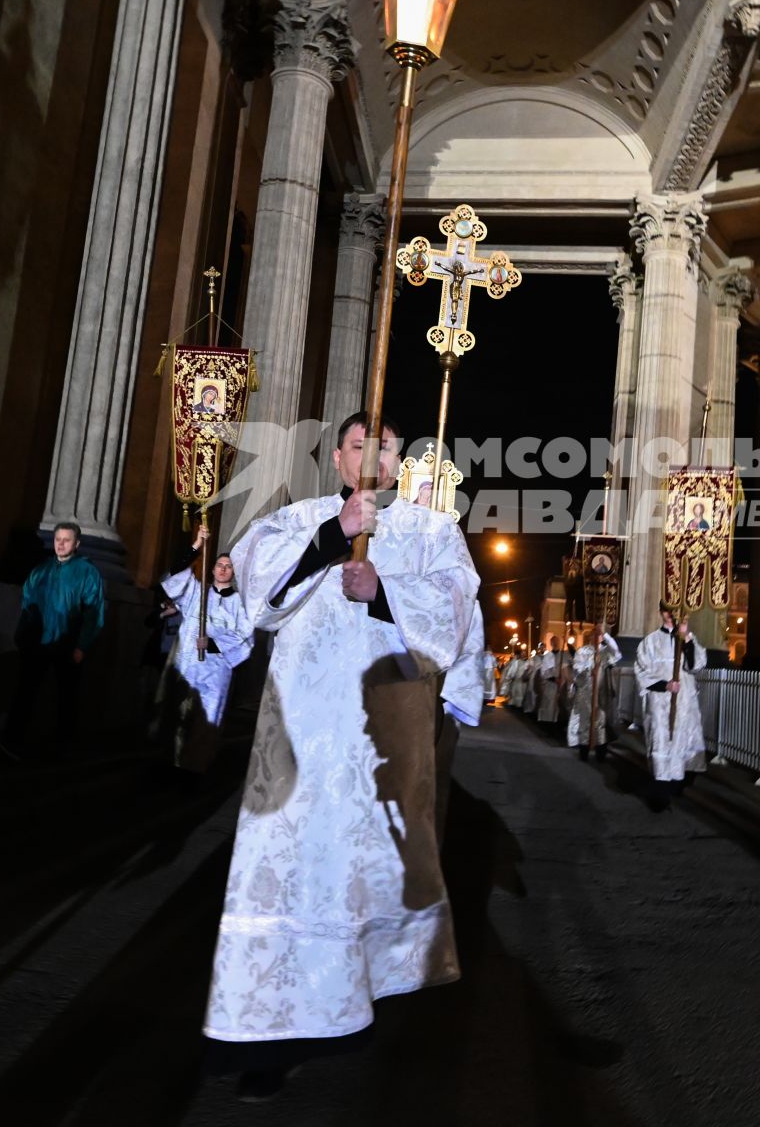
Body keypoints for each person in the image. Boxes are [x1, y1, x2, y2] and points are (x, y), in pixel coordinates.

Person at [205, 412, 478, 1098]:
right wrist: (334, 540)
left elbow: (456, 614)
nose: (372, 457)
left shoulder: (431, 532)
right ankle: (265, 1036)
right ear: (335, 456)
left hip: (376, 742)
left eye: (384, 448)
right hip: (297, 737)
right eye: (360, 445)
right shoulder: (297, 520)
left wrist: (382, 590)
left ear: (398, 464)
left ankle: (356, 1006)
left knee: (360, 879)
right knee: (286, 875)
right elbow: (257, 599)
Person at [159, 523, 254, 772]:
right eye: (219, 565)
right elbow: (175, 573)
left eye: (228, 566)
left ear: (233, 572)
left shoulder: (240, 604)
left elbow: (246, 638)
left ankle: (196, 768)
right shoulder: (196, 592)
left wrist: (213, 643)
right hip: (188, 666)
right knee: (179, 717)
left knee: (207, 721)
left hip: (216, 673)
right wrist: (197, 546)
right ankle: (172, 764)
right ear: (212, 569)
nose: (223, 569)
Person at [5, 522, 104, 757]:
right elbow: (27, 604)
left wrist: (82, 645)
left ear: (76, 544)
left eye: (66, 540)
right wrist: (22, 637)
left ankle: (64, 744)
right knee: (26, 691)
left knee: (66, 695)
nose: (60, 544)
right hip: (38, 642)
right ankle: (13, 738)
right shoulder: (41, 569)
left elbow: (94, 612)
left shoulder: (87, 572)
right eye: (58, 539)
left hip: (67, 643)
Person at [634, 606, 705, 806]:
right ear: (661, 613)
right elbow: (642, 671)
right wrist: (664, 685)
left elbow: (696, 665)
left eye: (675, 611)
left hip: (684, 703)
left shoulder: (687, 638)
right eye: (667, 611)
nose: (671, 614)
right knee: (662, 742)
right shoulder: (651, 641)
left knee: (682, 742)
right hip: (660, 702)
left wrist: (686, 639)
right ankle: (660, 792)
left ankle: (677, 782)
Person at [565, 621, 621, 758]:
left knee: (600, 720)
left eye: (600, 635)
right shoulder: (583, 651)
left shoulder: (607, 652)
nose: (597, 637)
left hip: (601, 691)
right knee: (585, 720)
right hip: (585, 690)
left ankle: (601, 751)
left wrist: (606, 634)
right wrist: (589, 671)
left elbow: (617, 654)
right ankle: (584, 749)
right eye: (595, 634)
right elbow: (577, 669)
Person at [533, 634, 563, 725]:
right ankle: (547, 723)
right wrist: (554, 679)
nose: (556, 643)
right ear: (551, 643)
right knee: (549, 704)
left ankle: (558, 722)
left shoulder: (563, 655)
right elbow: (545, 671)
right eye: (554, 641)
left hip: (562, 684)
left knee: (559, 705)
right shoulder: (548, 656)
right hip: (551, 683)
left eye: (557, 641)